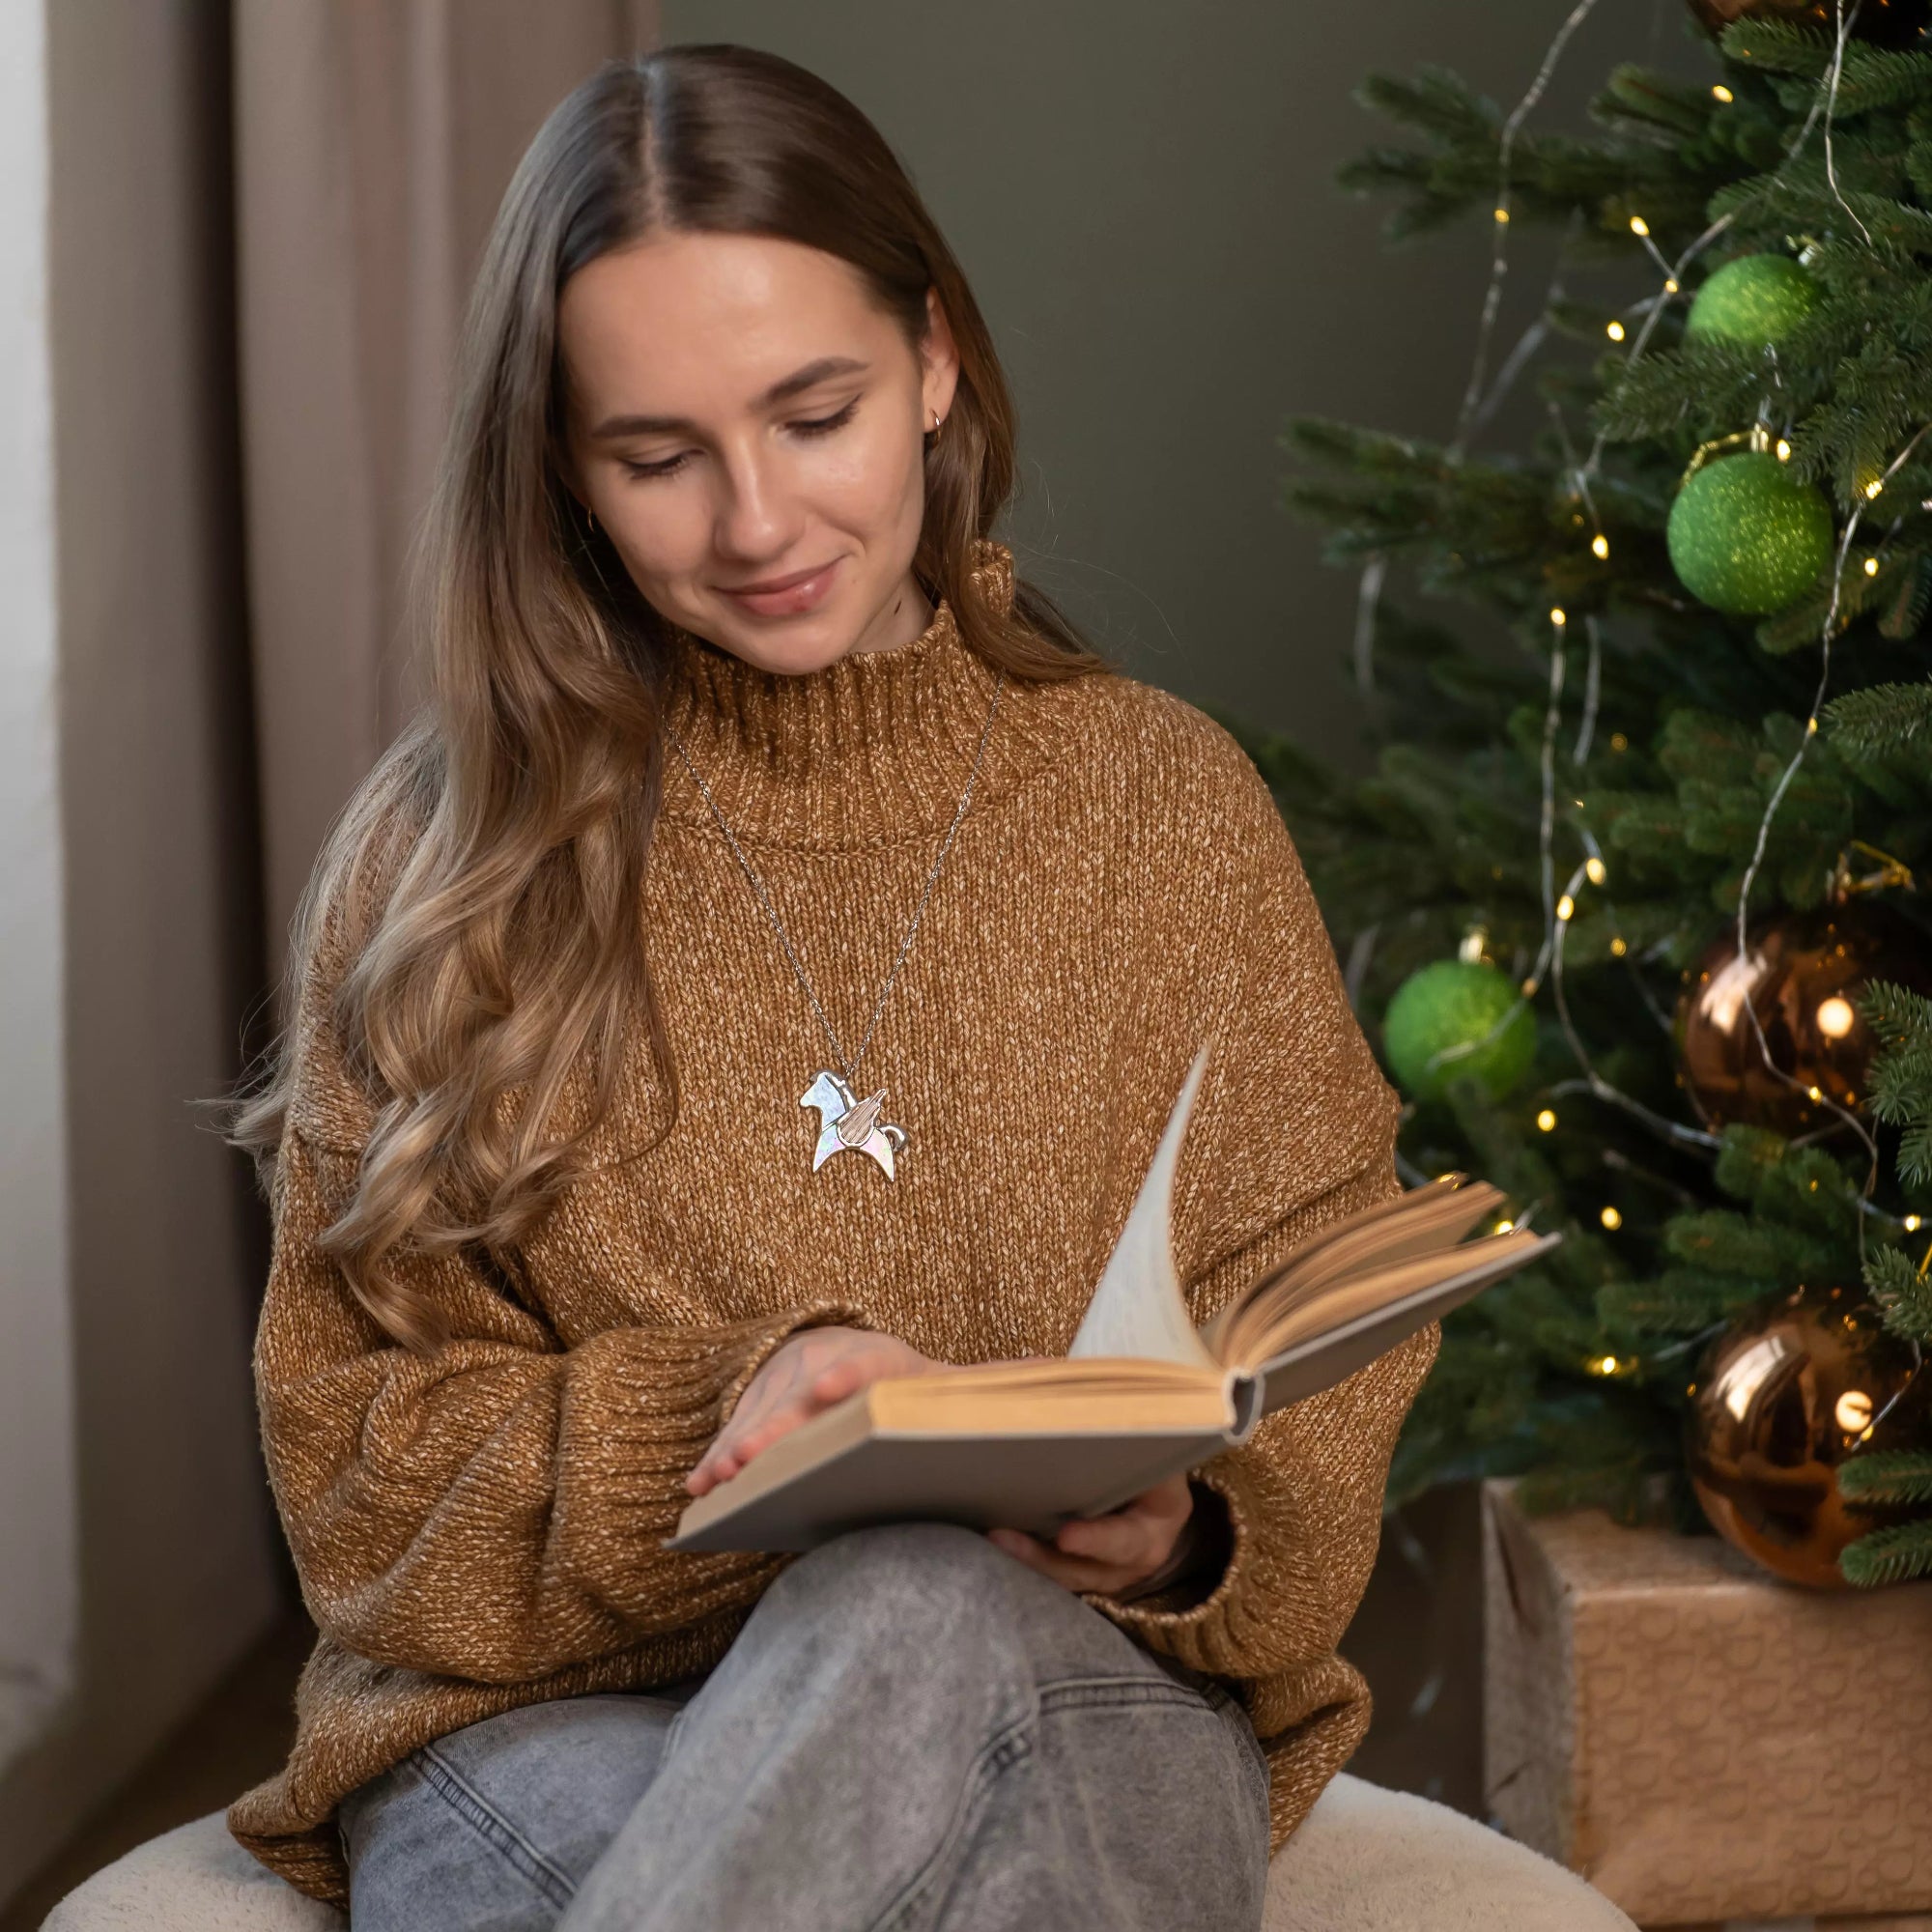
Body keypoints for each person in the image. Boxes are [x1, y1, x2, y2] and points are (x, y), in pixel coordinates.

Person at [223, 42, 1435, 1932]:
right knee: (892, 1628)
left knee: (924, 1605)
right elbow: (353, 1484)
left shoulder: (1162, 812)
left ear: (933, 363)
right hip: (547, 1741)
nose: (759, 522)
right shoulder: (440, 864)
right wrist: (729, 1422)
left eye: (814, 413)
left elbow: (1325, 1365)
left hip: (1077, 1695)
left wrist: (1187, 1522)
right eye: (656, 456)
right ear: (558, 460)